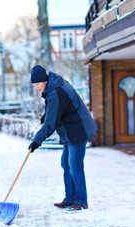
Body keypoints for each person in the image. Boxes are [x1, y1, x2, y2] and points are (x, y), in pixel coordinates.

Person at [28, 65, 96, 211]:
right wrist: (45, 117)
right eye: (34, 85)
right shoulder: (54, 86)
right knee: (66, 164)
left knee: (75, 166)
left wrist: (36, 141)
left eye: (38, 84)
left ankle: (81, 201)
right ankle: (70, 198)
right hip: (70, 131)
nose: (37, 87)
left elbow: (51, 124)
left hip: (78, 130)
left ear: (45, 81)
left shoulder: (55, 92)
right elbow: (56, 110)